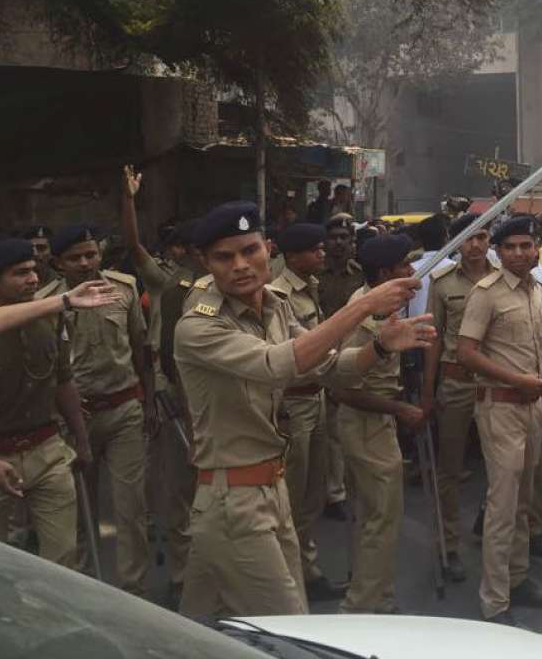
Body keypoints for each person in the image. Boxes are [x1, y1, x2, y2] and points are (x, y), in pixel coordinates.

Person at [172, 201, 433, 618]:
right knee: (291, 626)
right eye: (224, 257)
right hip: (234, 500)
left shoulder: (274, 305)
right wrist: (362, 307)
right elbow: (279, 365)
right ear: (205, 262)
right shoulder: (199, 325)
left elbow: (330, 367)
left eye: (249, 251)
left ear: (268, 249)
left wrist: (380, 346)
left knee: (198, 631)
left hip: (269, 488)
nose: (240, 265)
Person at [0, 239, 120, 566]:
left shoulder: (50, 319)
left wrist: (82, 440)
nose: (33, 279)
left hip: (47, 451)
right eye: (20, 273)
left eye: (33, 270)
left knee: (62, 559)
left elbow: (63, 383)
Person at [37, 225, 151, 595]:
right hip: (74, 419)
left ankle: (135, 590)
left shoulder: (125, 288)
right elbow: (46, 371)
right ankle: (84, 590)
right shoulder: (46, 302)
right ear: (57, 263)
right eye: (75, 258)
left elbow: (140, 348)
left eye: (91, 255)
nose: (86, 263)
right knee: (75, 513)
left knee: (130, 508)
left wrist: (147, 401)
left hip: (124, 410)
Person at [456, 216, 542, 625]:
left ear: (536, 249)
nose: (519, 253)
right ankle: (494, 600)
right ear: (499, 252)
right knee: (502, 506)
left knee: (524, 501)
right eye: (510, 247)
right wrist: (518, 380)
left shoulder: (535, 290)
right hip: (499, 406)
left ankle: (518, 579)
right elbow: (466, 353)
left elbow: (538, 350)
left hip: (531, 407)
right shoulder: (486, 293)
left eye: (526, 246)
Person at [335, 233, 428, 614]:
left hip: (375, 422)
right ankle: (359, 610)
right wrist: (400, 410)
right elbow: (342, 388)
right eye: (405, 265)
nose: (412, 271)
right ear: (386, 273)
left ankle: (380, 598)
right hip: (366, 423)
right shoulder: (365, 313)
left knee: (372, 517)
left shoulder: (382, 306)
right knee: (380, 519)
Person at [119, 168, 199, 597]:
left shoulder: (224, 286)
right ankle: (182, 576)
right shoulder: (167, 281)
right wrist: (129, 199)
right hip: (170, 392)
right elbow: (133, 246)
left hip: (210, 396)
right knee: (178, 484)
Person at [268, 222, 343, 603]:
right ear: (293, 257)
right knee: (293, 495)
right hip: (294, 403)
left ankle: (307, 566)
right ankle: (291, 576)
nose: (323, 254)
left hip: (317, 398)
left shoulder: (310, 287)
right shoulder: (277, 295)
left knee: (314, 491)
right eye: (315, 249)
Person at [422, 212, 494, 584]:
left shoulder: (504, 279)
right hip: (454, 382)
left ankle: (495, 533)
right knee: (449, 470)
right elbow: (433, 339)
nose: (475, 245)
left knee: (500, 466)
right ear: (456, 242)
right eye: (468, 238)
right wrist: (428, 391)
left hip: (496, 386)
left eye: (481, 237)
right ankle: (447, 546)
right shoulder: (441, 281)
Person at [318, 213, 364, 519]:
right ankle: (330, 492)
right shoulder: (315, 275)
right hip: (317, 352)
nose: (338, 243)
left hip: (351, 352)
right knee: (323, 429)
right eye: (333, 237)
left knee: (344, 426)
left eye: (344, 238)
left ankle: (340, 488)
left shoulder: (358, 275)